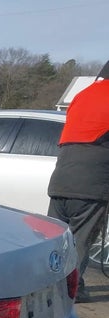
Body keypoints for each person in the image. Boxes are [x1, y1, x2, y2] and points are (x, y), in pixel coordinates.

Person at [47, 60, 109, 302]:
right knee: (79, 244)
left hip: (60, 179)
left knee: (54, 241)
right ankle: (67, 295)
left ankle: (47, 288)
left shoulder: (83, 95)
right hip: (91, 187)